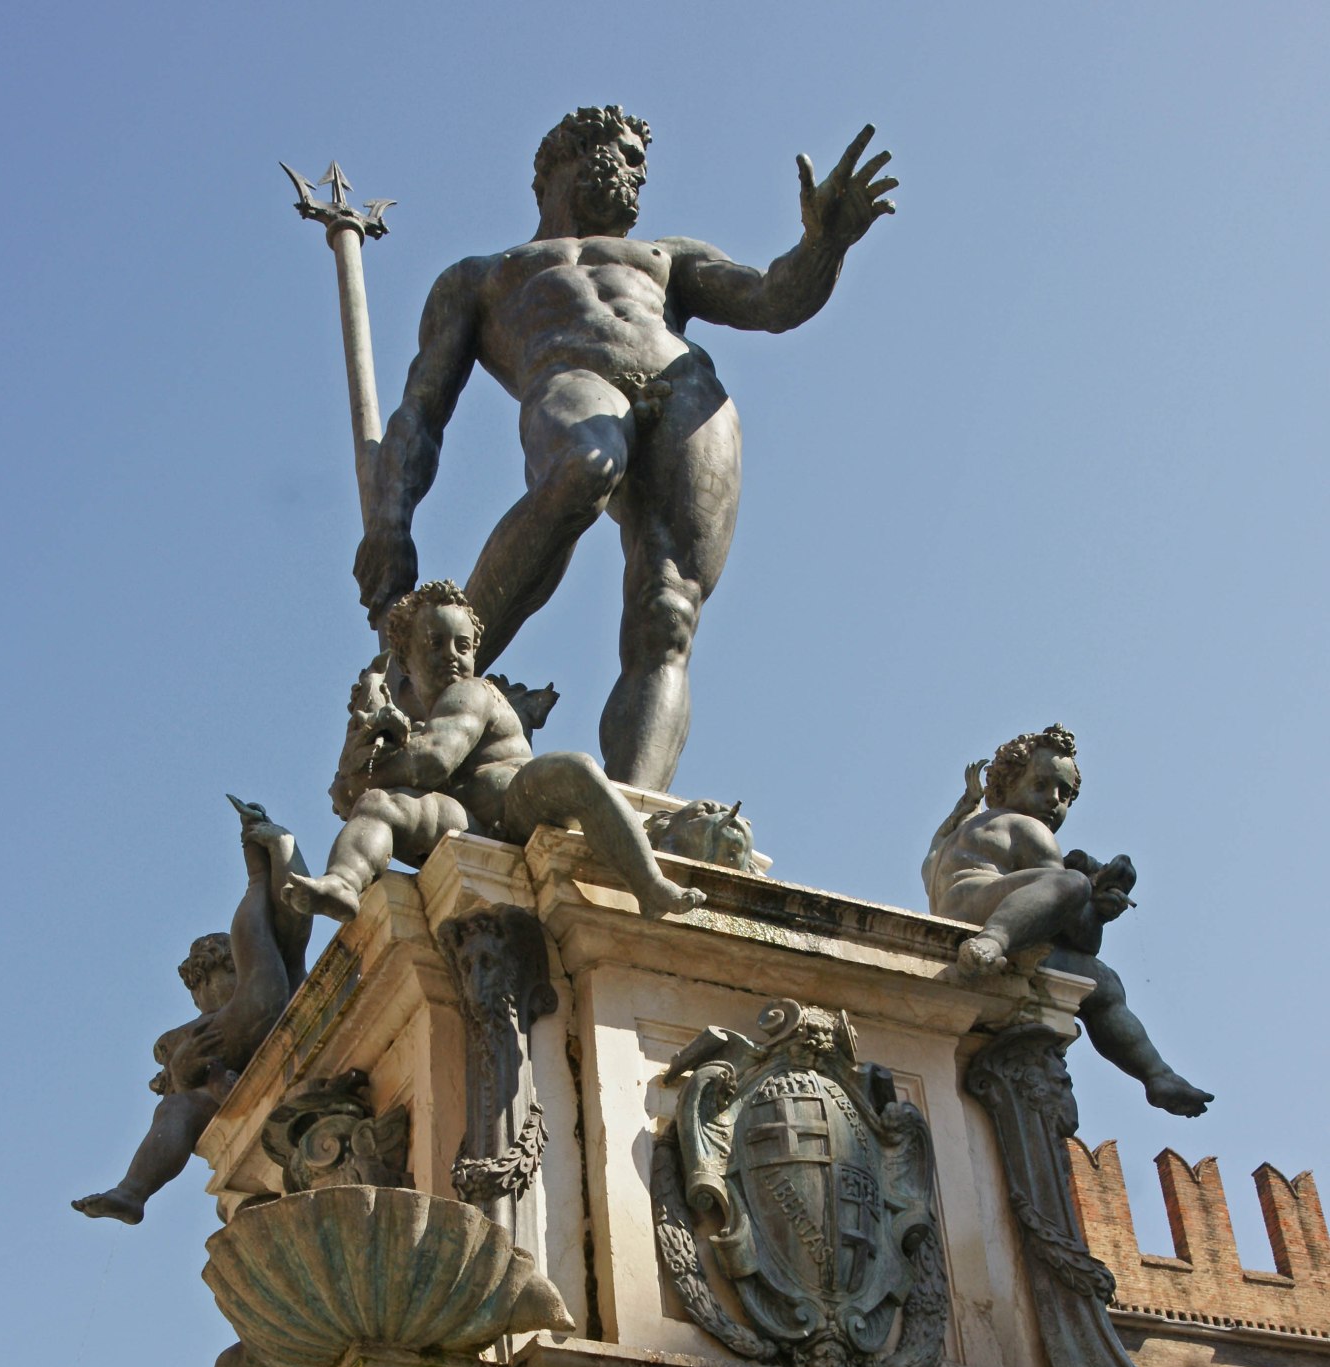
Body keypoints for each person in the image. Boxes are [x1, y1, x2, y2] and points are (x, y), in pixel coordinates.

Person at [352, 105, 897, 790]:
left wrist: (824, 245)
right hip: (570, 377)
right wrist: (390, 521)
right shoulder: (483, 277)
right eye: (630, 155)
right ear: (570, 155)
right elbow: (421, 411)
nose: (641, 174)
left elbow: (769, 300)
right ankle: (430, 673)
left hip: (686, 389)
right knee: (586, 466)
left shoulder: (667, 258)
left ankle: (635, 807)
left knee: (668, 611)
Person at [284, 581, 705, 924]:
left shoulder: (471, 693)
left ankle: (649, 882)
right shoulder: (416, 724)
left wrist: (360, 777)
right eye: (435, 643)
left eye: (463, 646)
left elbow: (433, 761)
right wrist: (363, 778)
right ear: (405, 660)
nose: (452, 656)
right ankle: (343, 882)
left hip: (520, 801)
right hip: (474, 822)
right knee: (380, 806)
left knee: (575, 768)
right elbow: (379, 784)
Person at [924, 725, 1213, 1117]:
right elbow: (1078, 930)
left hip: (962, 914)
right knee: (1073, 884)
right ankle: (994, 940)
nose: (1053, 800)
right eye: (1041, 785)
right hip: (986, 920)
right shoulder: (1027, 828)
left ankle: (1159, 1076)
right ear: (1005, 786)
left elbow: (934, 860)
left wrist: (965, 806)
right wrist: (1097, 909)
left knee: (1101, 983)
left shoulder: (959, 835)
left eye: (1065, 794)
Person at [72, 799, 310, 1223]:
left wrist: (267, 854)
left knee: (265, 926)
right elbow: (180, 1095)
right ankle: (132, 1192)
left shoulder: (272, 972)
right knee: (176, 1110)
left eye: (222, 971)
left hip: (273, 1023)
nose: (207, 991)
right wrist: (186, 1073)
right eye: (200, 983)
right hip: (228, 1095)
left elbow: (294, 917)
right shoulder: (180, 1036)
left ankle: (262, 861)